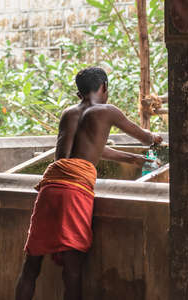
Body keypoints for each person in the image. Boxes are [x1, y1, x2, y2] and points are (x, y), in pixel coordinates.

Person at [15, 67, 162, 300]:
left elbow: (87, 148)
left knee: (31, 266)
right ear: (103, 87)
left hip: (50, 186)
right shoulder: (107, 111)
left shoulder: (68, 113)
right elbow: (143, 136)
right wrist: (154, 138)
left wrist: (132, 158)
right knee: (73, 270)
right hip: (75, 191)